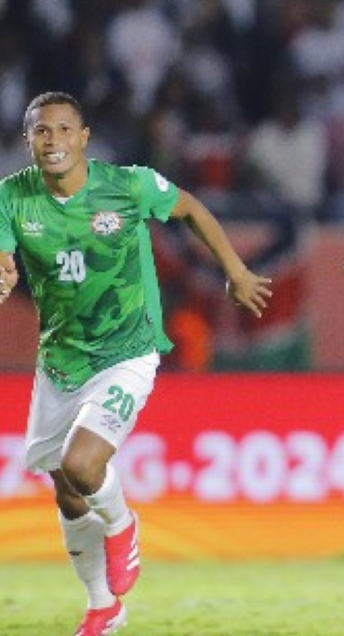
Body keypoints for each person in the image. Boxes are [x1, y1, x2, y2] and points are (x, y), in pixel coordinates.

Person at [0, 91, 273, 636]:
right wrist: (3, 273)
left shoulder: (127, 186)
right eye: (40, 132)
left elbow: (191, 208)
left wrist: (236, 270)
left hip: (127, 351)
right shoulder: (12, 197)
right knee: (67, 490)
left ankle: (124, 525)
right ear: (28, 141)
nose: (52, 141)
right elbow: (1, 256)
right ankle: (103, 607)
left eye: (62, 130)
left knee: (82, 465)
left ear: (84, 138)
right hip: (59, 359)